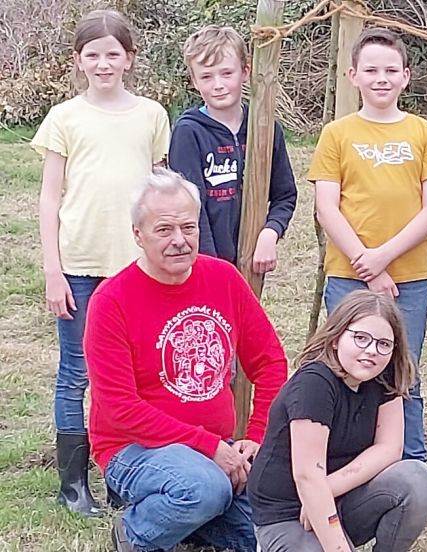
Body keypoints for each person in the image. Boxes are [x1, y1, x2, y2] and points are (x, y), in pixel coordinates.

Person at [85, 168, 288, 551]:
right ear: (137, 235)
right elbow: (118, 408)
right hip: (132, 449)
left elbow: (271, 363)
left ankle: (191, 524)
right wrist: (208, 447)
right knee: (204, 487)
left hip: (218, 448)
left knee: (272, 533)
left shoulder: (224, 279)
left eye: (188, 228)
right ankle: (134, 535)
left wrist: (257, 437)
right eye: (164, 230)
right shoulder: (111, 302)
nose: (179, 240)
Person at [30, 8, 171, 516]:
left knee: (133, 372)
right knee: (77, 372)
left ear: (129, 60)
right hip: (81, 265)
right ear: (79, 61)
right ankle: (73, 483)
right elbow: (50, 197)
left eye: (113, 54)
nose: (103, 63)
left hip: (135, 267)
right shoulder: (65, 118)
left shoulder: (152, 115)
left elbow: (159, 188)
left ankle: (124, 471)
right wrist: (53, 269)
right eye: (93, 55)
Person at [308, 27, 427, 462]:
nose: (381, 78)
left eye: (391, 70)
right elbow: (327, 208)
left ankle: (410, 463)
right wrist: (365, 264)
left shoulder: (424, 133)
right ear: (353, 75)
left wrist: (382, 259)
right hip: (347, 277)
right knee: (345, 365)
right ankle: (341, 458)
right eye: (371, 70)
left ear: (406, 76)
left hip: (408, 279)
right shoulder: (337, 134)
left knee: (400, 369)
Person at [249, 290, 427, 551]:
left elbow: (389, 449)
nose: (372, 351)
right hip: (287, 512)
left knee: (418, 479)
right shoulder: (314, 382)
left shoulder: (385, 375)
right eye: (360, 338)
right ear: (337, 338)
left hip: (341, 497)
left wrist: (329, 489)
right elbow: (307, 476)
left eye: (384, 344)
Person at [168, 25, 297, 270]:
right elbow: (190, 207)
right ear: (194, 81)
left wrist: (271, 232)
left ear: (245, 71)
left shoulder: (266, 129)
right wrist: (211, 266)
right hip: (205, 263)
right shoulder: (188, 132)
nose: (218, 84)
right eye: (206, 76)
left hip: (252, 261)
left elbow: (285, 194)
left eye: (226, 73)